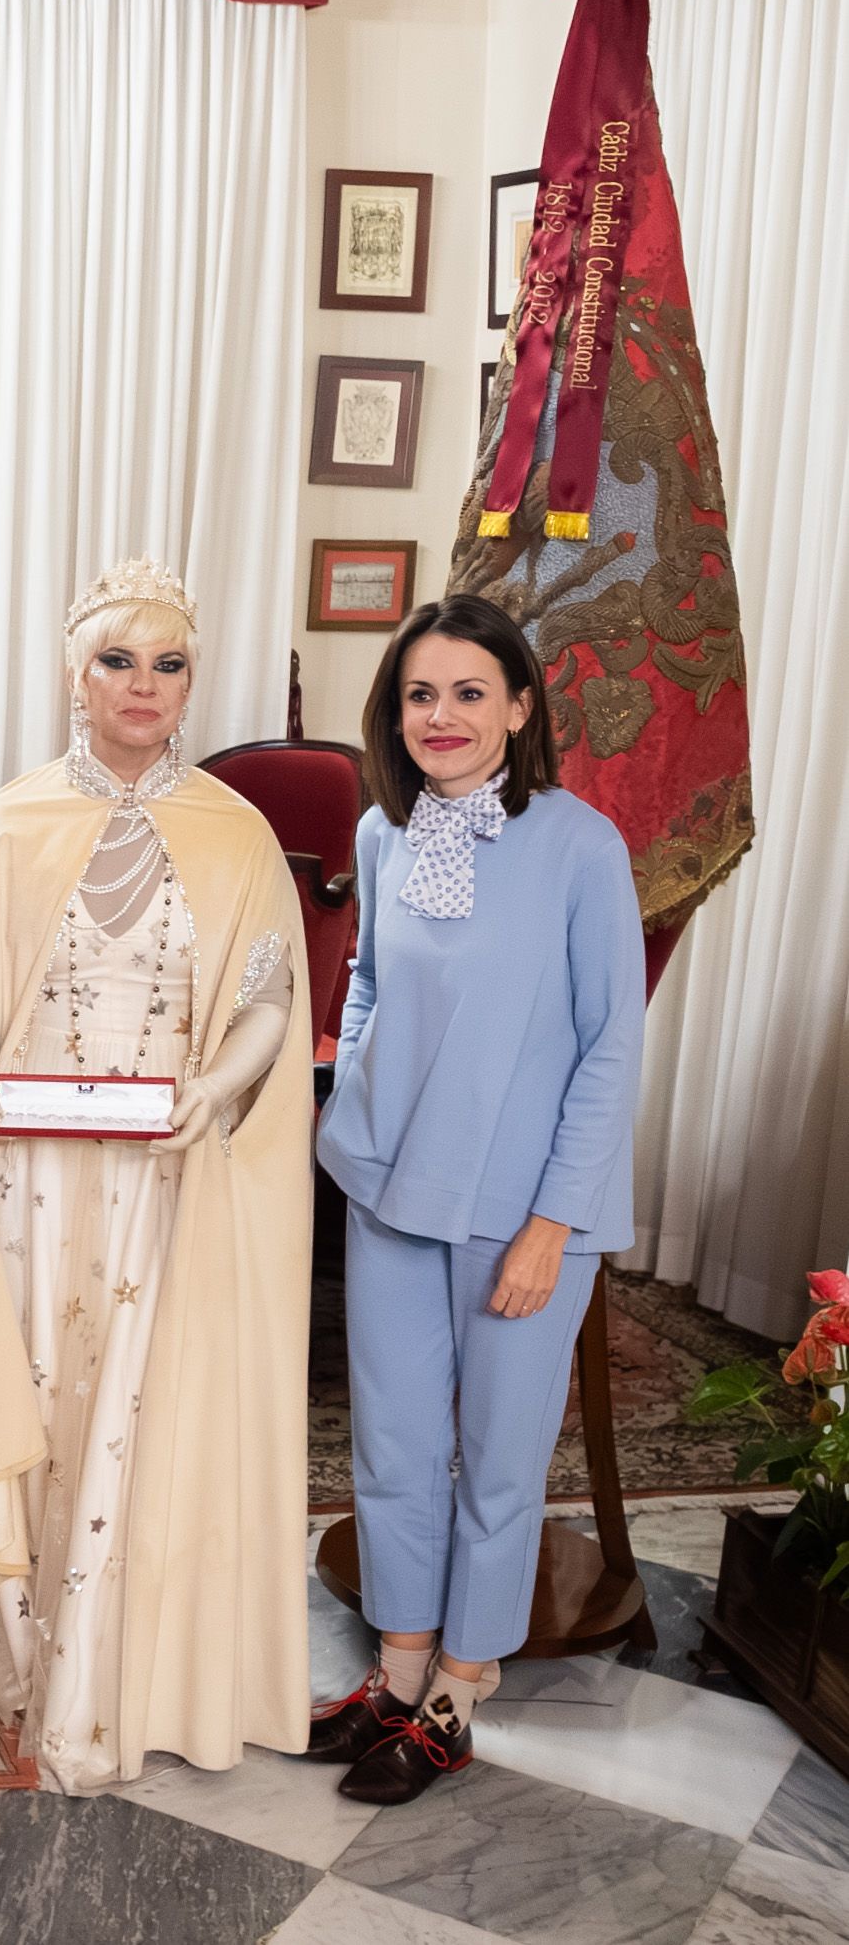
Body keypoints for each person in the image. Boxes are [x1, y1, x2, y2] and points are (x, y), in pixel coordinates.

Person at [0, 560, 315, 1794]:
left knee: (137, 1398)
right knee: (24, 1379)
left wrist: (216, 1090)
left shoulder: (237, 834)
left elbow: (265, 999)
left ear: (193, 680)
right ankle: (7, 1643)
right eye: (117, 661)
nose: (143, 687)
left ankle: (119, 1655)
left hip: (163, 1172)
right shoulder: (6, 823)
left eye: (169, 663)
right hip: (25, 1165)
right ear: (75, 675)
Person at [309, 593, 643, 1805]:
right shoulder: (382, 838)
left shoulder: (580, 847)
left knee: (498, 1460)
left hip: (523, 1213)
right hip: (391, 1189)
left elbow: (611, 1048)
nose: (439, 717)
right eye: (417, 695)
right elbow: (369, 990)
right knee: (393, 1447)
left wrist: (556, 1223)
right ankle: (396, 1671)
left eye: (465, 692)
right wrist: (348, 1111)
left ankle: (459, 1685)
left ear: (519, 703)